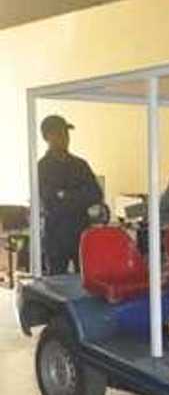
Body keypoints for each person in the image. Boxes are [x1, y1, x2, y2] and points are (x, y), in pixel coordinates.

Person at [37, 115, 103, 275]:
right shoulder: (42, 167)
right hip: (56, 236)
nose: (65, 139)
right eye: (59, 134)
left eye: (66, 134)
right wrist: (80, 196)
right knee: (56, 285)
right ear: (47, 137)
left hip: (81, 233)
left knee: (87, 281)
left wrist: (66, 195)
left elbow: (96, 194)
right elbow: (51, 201)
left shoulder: (80, 164)